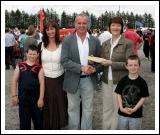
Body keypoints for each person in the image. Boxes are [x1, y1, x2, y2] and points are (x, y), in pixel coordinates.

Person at [61, 13, 101, 130]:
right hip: (72, 79)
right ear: (75, 24)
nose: (82, 25)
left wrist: (95, 69)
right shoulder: (68, 40)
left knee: (88, 109)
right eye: (79, 23)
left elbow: (99, 60)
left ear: (88, 24)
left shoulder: (95, 40)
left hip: (88, 80)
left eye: (84, 23)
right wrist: (81, 68)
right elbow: (64, 61)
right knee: (72, 109)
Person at [100, 17, 134, 130]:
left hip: (120, 82)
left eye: (118, 25)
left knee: (117, 109)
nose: (115, 28)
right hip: (106, 81)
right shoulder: (105, 44)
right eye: (113, 25)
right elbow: (102, 62)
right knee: (106, 108)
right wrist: (93, 62)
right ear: (109, 27)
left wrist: (112, 63)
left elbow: (130, 64)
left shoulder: (127, 43)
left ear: (122, 27)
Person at [38, 20, 68, 129]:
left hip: (60, 79)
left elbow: (67, 61)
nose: (50, 31)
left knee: (59, 103)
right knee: (47, 103)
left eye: (52, 29)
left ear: (56, 30)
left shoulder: (62, 45)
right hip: (45, 80)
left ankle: (58, 126)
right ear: (45, 31)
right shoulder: (41, 45)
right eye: (47, 29)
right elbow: (36, 63)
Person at [11, 45, 45, 130]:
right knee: (24, 123)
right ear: (26, 54)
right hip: (23, 100)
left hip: (36, 101)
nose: (32, 56)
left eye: (34, 54)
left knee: (38, 123)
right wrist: (14, 96)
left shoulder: (39, 68)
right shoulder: (20, 66)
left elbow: (42, 84)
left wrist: (41, 99)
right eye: (30, 54)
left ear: (37, 55)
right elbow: (14, 81)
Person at [114, 55, 149, 130]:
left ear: (139, 66)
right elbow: (118, 95)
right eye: (130, 65)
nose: (133, 67)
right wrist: (121, 108)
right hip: (122, 114)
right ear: (126, 66)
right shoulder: (122, 81)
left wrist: (134, 109)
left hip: (136, 115)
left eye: (135, 65)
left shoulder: (142, 82)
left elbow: (143, 98)